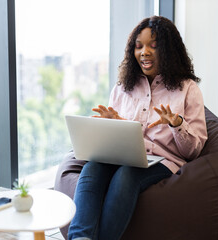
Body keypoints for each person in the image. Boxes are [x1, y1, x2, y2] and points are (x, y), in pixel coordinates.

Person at [68, 16, 208, 240]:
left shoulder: (188, 89)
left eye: (154, 46)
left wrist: (176, 124)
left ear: (169, 50)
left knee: (127, 175)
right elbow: (120, 135)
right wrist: (111, 123)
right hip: (122, 155)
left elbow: (193, 151)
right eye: (139, 46)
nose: (144, 52)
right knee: (91, 169)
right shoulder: (123, 87)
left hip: (162, 160)